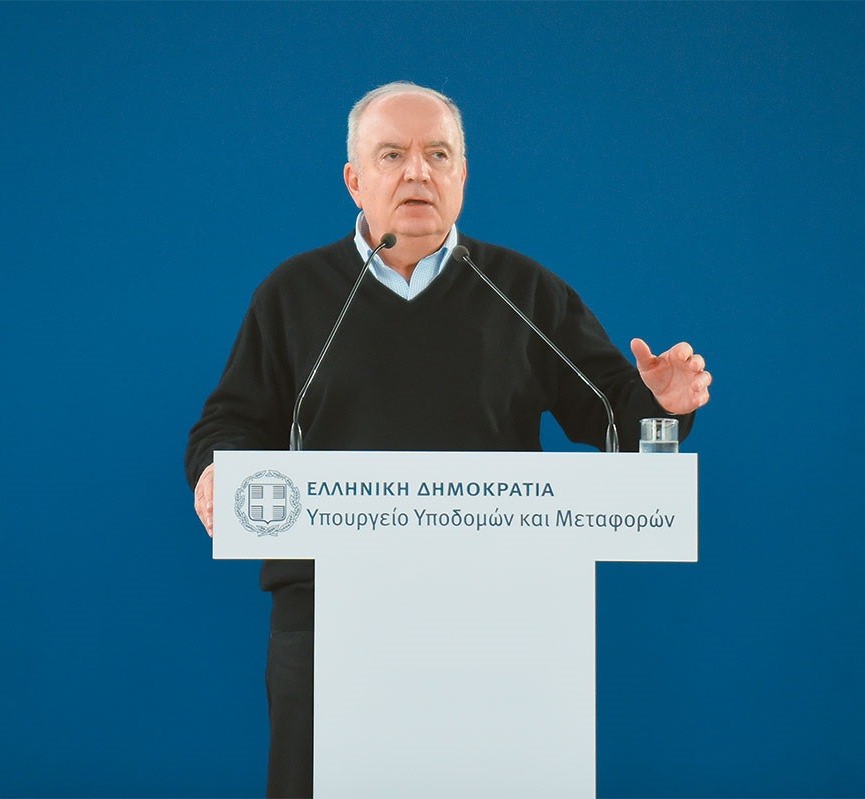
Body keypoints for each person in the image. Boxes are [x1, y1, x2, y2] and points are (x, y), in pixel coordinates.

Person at [185, 81, 712, 799]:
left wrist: (661, 405)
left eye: (437, 154)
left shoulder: (523, 291)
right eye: (392, 155)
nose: (417, 172)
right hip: (329, 619)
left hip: (498, 620)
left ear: (462, 174)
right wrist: (220, 472)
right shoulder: (293, 294)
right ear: (354, 180)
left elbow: (617, 421)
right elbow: (230, 425)